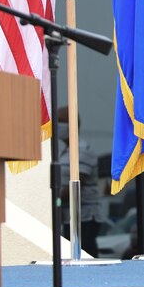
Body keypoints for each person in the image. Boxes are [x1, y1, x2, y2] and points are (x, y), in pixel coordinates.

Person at [56, 106, 103, 256]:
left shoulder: (82, 150)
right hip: (68, 217)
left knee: (85, 256)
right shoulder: (63, 150)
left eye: (61, 121)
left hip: (84, 217)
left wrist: (52, 200)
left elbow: (74, 186)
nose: (57, 125)